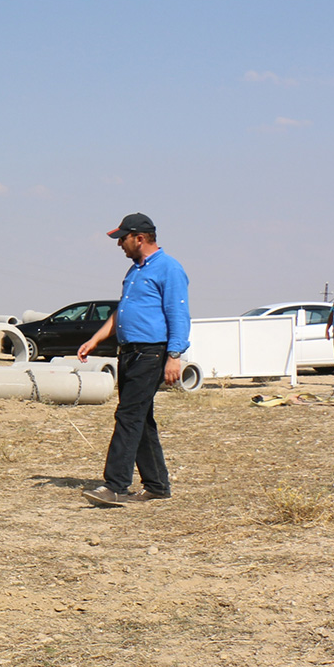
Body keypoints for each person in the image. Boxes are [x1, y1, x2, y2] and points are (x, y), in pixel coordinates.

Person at [78, 212, 190, 507]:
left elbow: (179, 315)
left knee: (128, 416)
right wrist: (96, 339)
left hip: (152, 353)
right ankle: (157, 485)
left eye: (122, 239)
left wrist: (174, 356)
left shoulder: (169, 269)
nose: (119, 245)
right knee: (141, 419)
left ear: (139, 238)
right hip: (128, 353)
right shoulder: (135, 272)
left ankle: (115, 485)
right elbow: (122, 312)